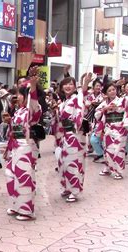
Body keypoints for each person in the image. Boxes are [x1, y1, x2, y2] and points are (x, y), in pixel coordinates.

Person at [4, 69, 42, 221]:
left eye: (20, 93)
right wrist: (9, 122)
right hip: (15, 145)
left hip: (25, 146)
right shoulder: (18, 111)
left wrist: (32, 86)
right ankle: (15, 204)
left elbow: (33, 104)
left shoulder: (31, 108)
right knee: (11, 175)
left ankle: (26, 210)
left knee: (24, 176)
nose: (17, 96)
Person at [54, 75, 88, 203]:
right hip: (65, 136)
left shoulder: (76, 99)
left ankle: (75, 190)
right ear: (62, 87)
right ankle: (67, 187)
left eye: (71, 84)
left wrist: (85, 84)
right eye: (65, 84)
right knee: (63, 163)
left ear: (75, 87)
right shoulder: (63, 102)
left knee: (74, 162)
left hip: (75, 135)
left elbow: (82, 96)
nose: (68, 86)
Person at [95, 82, 128, 179]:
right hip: (108, 128)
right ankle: (108, 168)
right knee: (108, 149)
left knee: (118, 149)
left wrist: (117, 108)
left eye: (113, 89)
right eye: (109, 90)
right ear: (106, 93)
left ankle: (119, 171)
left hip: (120, 128)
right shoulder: (104, 103)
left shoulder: (122, 100)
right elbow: (96, 114)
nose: (112, 92)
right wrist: (104, 109)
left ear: (116, 90)